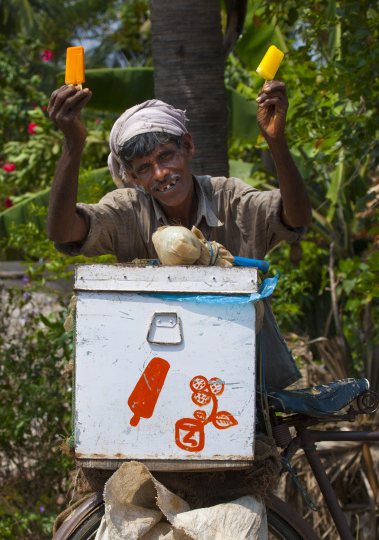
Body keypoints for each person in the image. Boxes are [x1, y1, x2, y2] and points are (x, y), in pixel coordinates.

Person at [46, 81, 312, 389]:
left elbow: (297, 218)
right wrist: (73, 143)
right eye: (144, 168)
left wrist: (276, 141)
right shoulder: (127, 211)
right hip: (156, 380)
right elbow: (63, 232)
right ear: (132, 177)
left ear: (187, 146)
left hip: (242, 379)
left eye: (166, 156)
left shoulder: (230, 198)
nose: (160, 174)